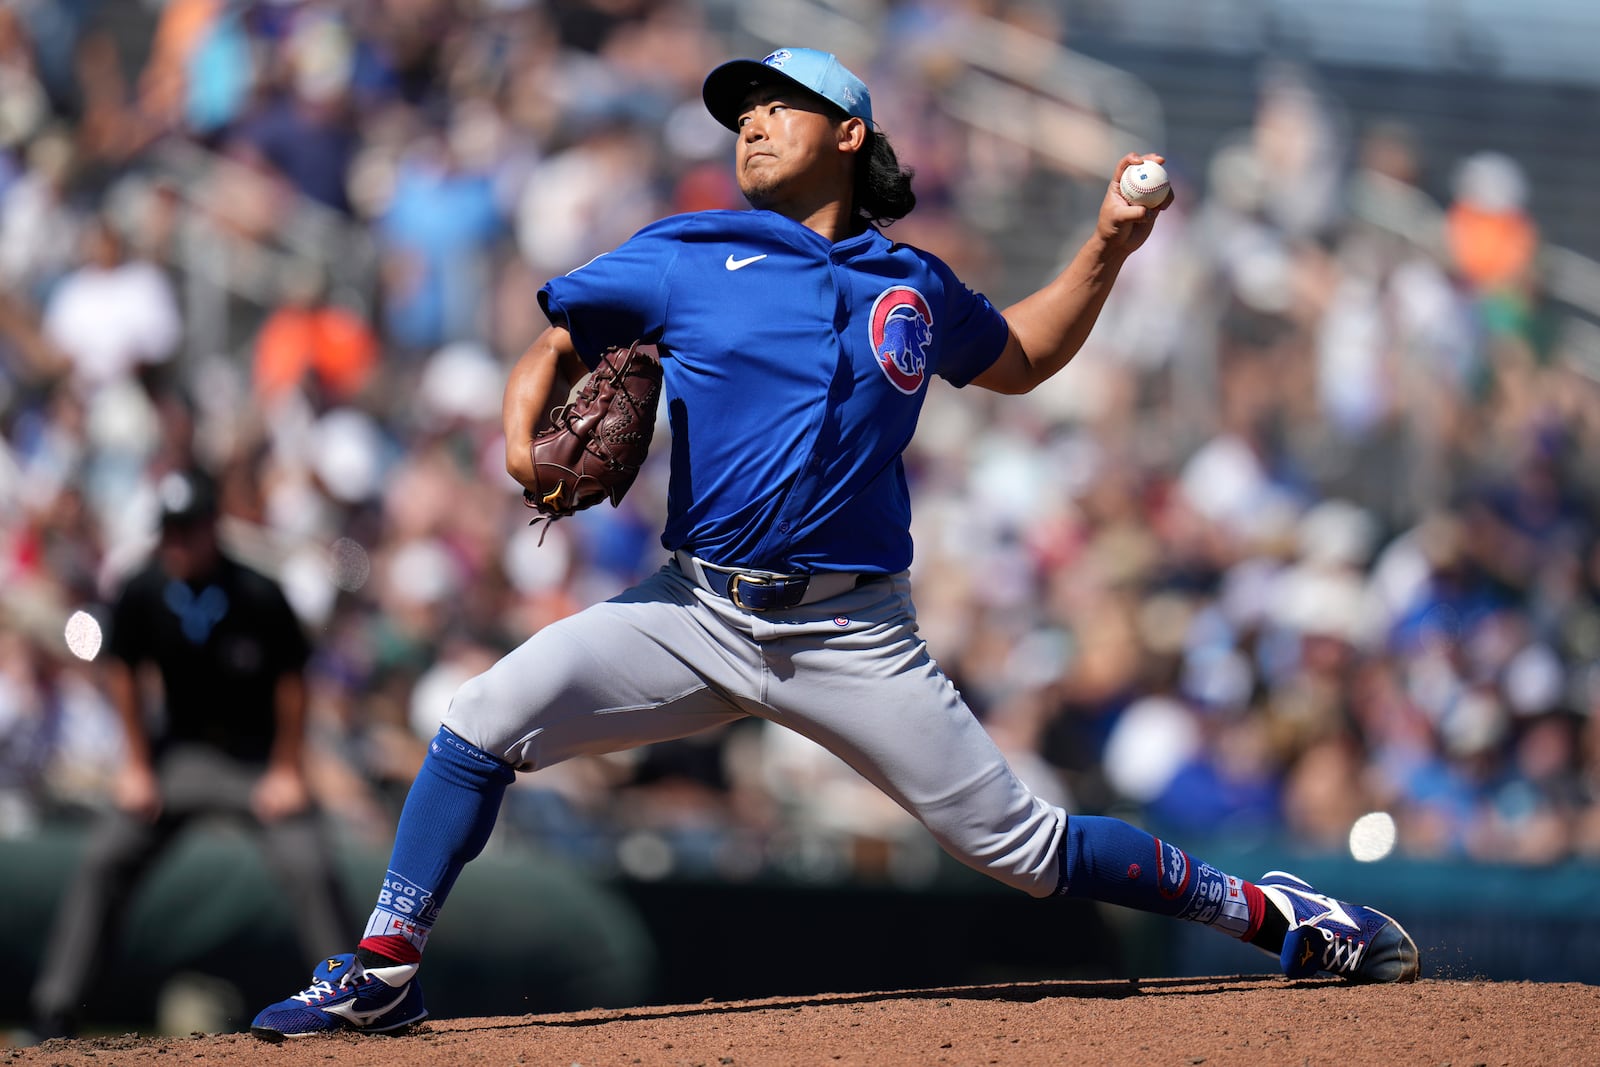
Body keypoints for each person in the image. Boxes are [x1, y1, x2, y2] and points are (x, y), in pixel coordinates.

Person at [250, 46, 1420, 1041]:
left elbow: (1017, 357)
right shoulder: (687, 253)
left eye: (775, 104)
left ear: (848, 132)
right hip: (695, 611)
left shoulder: (908, 280)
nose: (749, 122)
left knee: (1023, 848)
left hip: (851, 628)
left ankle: (1276, 916)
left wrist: (1109, 243)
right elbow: (556, 340)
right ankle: (384, 970)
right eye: (738, 111)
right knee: (475, 720)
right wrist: (520, 442)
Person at [30, 467, 352, 1039]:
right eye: (169, 532)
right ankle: (55, 1013)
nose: (176, 543)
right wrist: (135, 764)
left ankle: (352, 1005)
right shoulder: (144, 588)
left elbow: (293, 679)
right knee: (105, 857)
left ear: (212, 529)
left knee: (310, 863)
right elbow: (123, 667)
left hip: (255, 764)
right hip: (177, 760)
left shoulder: (257, 592)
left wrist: (286, 769)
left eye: (187, 530)